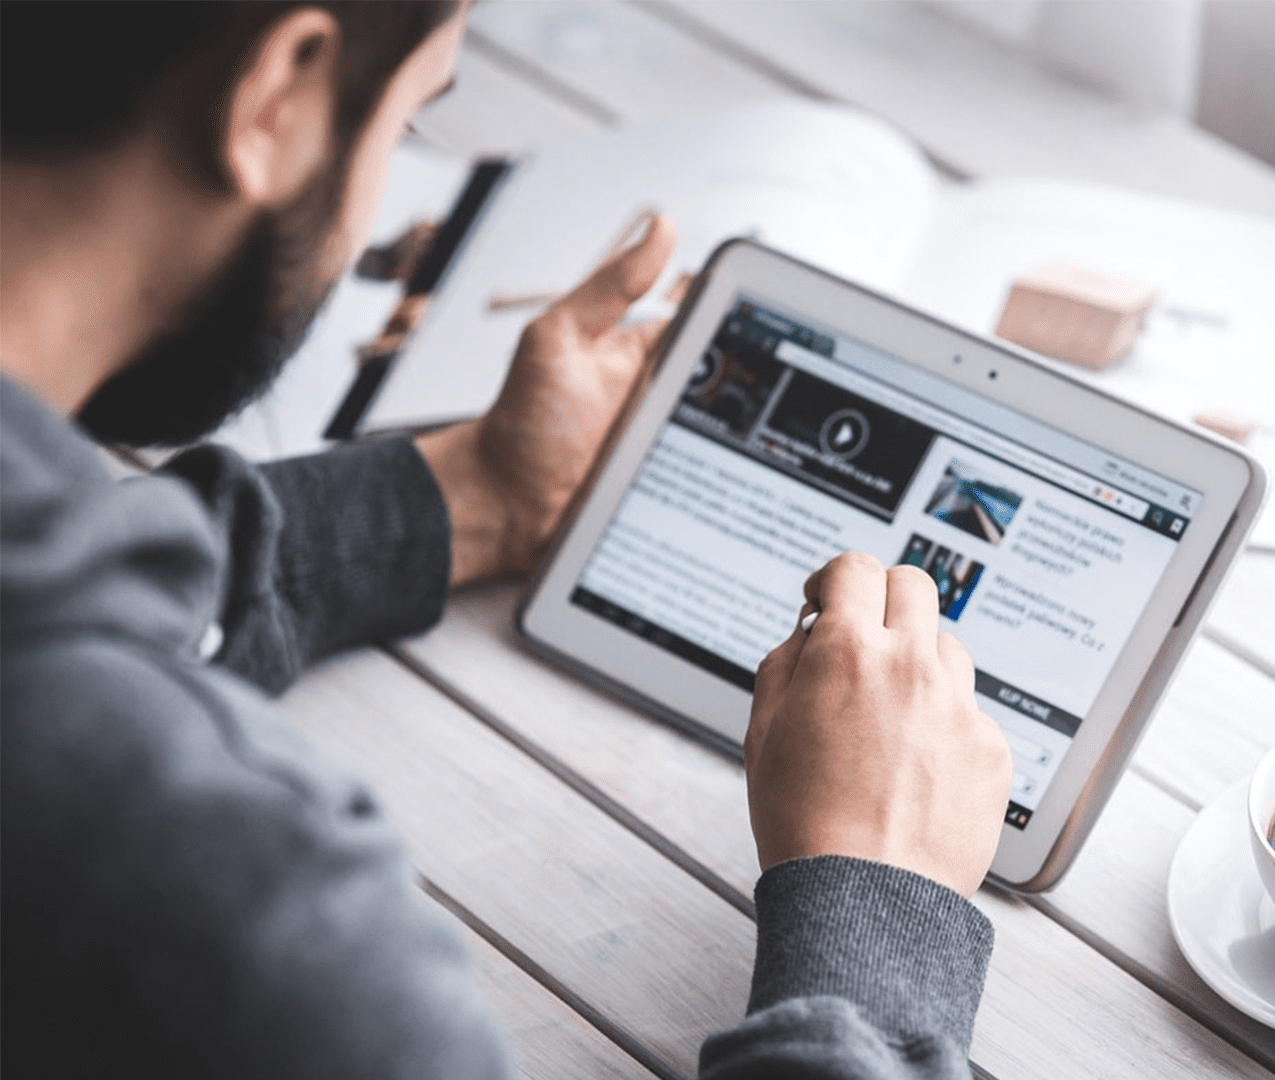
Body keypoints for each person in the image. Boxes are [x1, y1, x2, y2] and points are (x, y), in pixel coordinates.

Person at [0, 2, 1013, 1077]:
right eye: (405, 122)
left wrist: (471, 494)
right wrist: (877, 915)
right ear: (278, 97)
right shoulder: (253, 921)